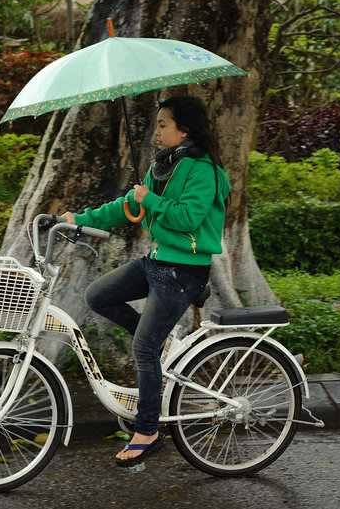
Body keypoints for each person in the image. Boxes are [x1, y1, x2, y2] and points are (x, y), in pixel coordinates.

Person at [62, 95, 231, 467]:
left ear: (184, 130)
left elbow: (188, 218)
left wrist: (151, 200)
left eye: (163, 125)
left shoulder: (204, 169)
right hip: (156, 262)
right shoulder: (165, 164)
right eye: (156, 124)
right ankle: (154, 341)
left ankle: (148, 430)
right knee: (98, 296)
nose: (156, 131)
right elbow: (128, 206)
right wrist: (80, 218)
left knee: (142, 349)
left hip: (183, 270)